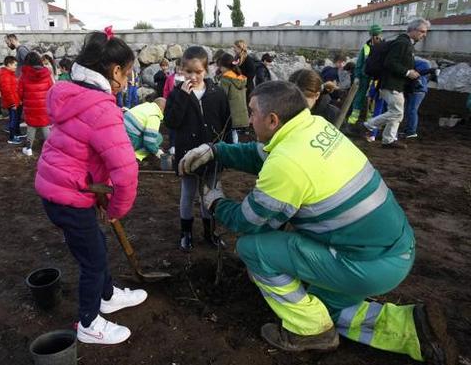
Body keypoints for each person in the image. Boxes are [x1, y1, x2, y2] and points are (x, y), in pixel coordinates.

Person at [178, 80, 458, 364]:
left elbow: (250, 222)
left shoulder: (288, 163)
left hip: (365, 264)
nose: (248, 119)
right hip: (392, 251)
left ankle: (310, 332)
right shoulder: (313, 128)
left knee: (253, 248)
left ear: (273, 120)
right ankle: (411, 329)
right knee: (322, 307)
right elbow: (261, 155)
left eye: (252, 112)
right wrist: (218, 151)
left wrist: (215, 201)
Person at [35, 30, 146, 345]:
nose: (127, 81)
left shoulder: (71, 93)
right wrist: (115, 210)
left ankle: (108, 295)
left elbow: (85, 151)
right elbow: (125, 172)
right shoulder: (103, 109)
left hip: (59, 187)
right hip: (70, 196)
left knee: (94, 244)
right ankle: (88, 323)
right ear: (114, 72)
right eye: (127, 74)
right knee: (93, 260)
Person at [164, 46, 231, 251]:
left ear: (206, 70)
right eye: (188, 71)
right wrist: (183, 97)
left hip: (212, 154)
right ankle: (186, 234)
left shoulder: (217, 93)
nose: (193, 76)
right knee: (188, 194)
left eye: (198, 72)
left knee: (208, 194)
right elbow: (171, 123)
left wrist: (226, 152)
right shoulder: (177, 94)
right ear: (181, 70)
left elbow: (226, 122)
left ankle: (210, 233)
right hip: (188, 154)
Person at [364, 18, 430, 149]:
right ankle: (370, 125)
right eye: (422, 31)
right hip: (392, 84)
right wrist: (408, 73)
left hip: (394, 84)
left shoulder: (405, 43)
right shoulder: (403, 43)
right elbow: (390, 63)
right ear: (413, 30)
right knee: (397, 113)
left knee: (396, 112)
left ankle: (388, 140)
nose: (424, 35)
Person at [18, 52, 54, 156]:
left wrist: (23, 99)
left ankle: (28, 149)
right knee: (45, 126)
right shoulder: (46, 74)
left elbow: (20, 91)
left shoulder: (24, 75)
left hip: (30, 107)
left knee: (31, 127)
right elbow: (51, 89)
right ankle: (51, 148)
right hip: (44, 106)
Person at [348, 25, 383, 126]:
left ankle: (370, 121)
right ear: (371, 35)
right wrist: (357, 76)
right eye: (375, 35)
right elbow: (359, 63)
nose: (378, 37)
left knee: (372, 99)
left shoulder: (383, 46)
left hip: (376, 78)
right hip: (364, 76)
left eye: (379, 34)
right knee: (359, 96)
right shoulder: (366, 47)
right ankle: (353, 119)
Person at [217, 53, 248, 143]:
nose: (219, 69)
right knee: (236, 136)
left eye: (220, 67)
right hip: (241, 115)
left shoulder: (226, 80)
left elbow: (222, 98)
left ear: (224, 67)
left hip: (231, 116)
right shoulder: (240, 78)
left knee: (231, 139)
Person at [401, 57, 433, 139]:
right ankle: (408, 130)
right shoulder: (420, 63)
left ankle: (411, 131)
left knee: (411, 110)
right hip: (416, 90)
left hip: (417, 90)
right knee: (410, 110)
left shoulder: (414, 62)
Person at [0, 56, 22, 145]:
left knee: (14, 118)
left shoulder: (9, 74)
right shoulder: (5, 75)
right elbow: (7, 91)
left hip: (14, 100)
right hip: (11, 102)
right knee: (13, 119)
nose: (16, 67)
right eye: (14, 65)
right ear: (9, 64)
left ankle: (14, 135)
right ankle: (11, 137)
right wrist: (12, 103)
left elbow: (13, 89)